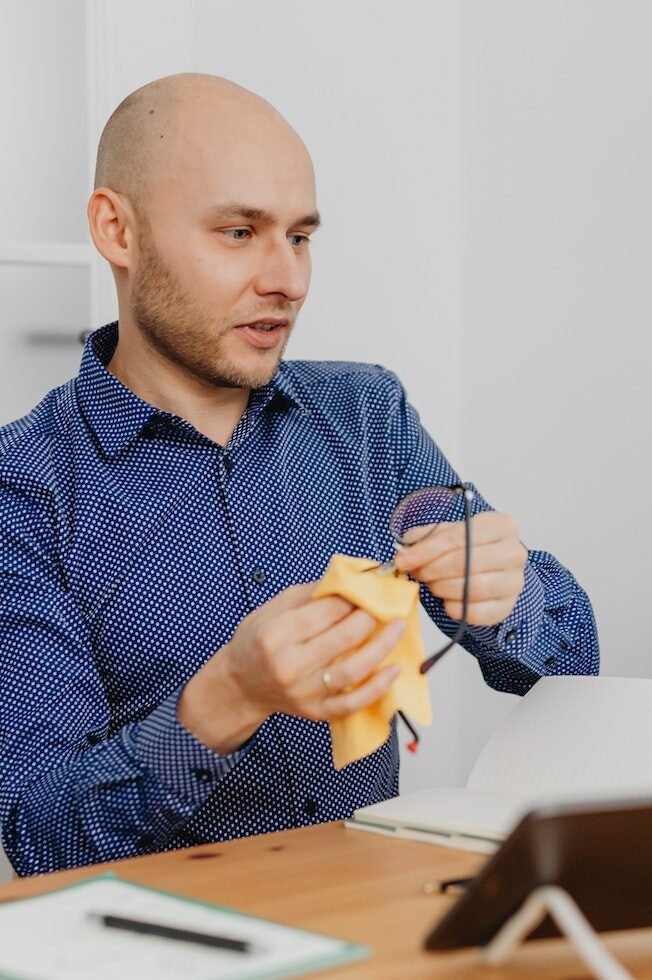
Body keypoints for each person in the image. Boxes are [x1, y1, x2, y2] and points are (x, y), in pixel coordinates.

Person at [0, 74, 598, 876]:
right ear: (118, 230)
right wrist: (225, 702)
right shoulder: (24, 488)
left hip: (379, 922)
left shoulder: (366, 416)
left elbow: (570, 663)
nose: (289, 280)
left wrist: (509, 596)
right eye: (240, 232)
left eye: (301, 236)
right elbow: (42, 835)